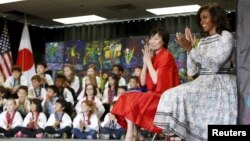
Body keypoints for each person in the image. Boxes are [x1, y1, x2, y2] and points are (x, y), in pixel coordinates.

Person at [153, 3, 237, 141]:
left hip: (221, 84)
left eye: (205, 17)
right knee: (169, 95)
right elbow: (192, 71)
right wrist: (189, 50)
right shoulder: (203, 41)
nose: (201, 21)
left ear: (215, 18)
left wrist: (192, 49)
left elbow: (215, 66)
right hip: (203, 82)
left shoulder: (226, 36)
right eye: (200, 18)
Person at [111, 27, 180, 141]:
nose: (152, 41)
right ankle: (134, 133)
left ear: (164, 41)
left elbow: (156, 80)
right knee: (125, 97)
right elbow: (143, 82)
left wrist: (148, 60)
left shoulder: (166, 56)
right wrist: (145, 63)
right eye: (151, 38)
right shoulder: (154, 57)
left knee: (129, 99)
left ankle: (133, 134)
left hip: (163, 98)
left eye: (156, 38)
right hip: (153, 95)